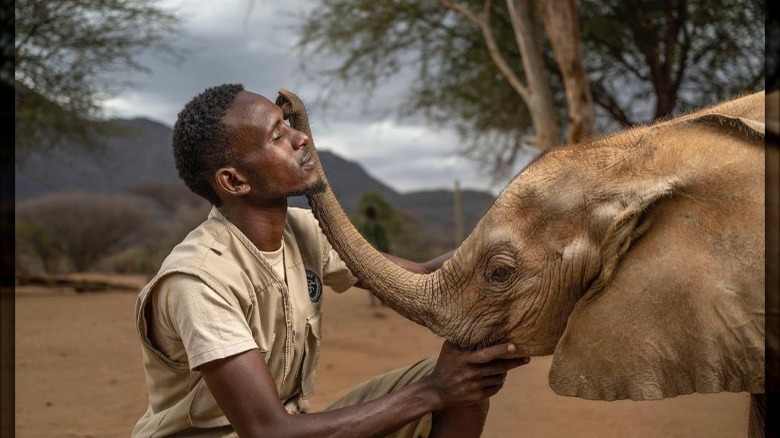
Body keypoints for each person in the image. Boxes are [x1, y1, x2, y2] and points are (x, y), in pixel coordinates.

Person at [132, 83, 530, 438]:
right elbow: (267, 431)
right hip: (268, 432)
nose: (301, 138)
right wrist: (434, 390)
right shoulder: (200, 281)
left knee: (465, 389)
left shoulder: (302, 231)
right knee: (442, 388)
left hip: (289, 425)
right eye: (278, 136)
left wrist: (522, 238)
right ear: (234, 181)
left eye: (289, 127)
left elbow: (426, 276)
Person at [358, 205, 389, 306]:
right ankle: (384, 300)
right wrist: (387, 252)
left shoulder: (362, 224)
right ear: (373, 214)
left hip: (365, 253)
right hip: (379, 253)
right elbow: (382, 240)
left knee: (369, 277)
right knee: (383, 278)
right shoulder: (376, 225)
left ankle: (372, 302)